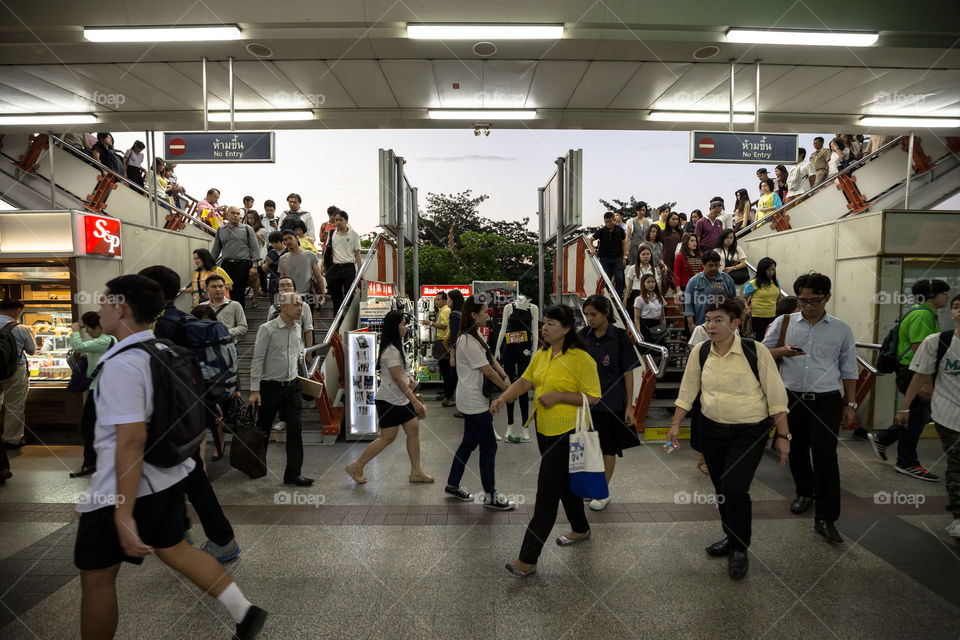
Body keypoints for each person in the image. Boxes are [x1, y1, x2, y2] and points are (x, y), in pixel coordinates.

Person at [73, 274, 266, 640]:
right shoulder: (162, 350)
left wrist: (123, 512)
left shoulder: (122, 365)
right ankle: (244, 612)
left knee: (97, 577)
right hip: (169, 475)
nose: (99, 308)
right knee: (175, 548)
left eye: (104, 301)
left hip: (117, 488)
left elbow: (130, 441)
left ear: (122, 308)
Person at [668, 297, 790, 580]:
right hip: (711, 430)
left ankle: (739, 548)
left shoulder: (755, 351)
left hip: (749, 431)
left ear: (735, 324)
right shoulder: (700, 352)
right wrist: (675, 424)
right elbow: (687, 391)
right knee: (722, 487)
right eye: (708, 320)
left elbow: (776, 396)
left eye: (718, 320)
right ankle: (731, 536)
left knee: (735, 488)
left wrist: (783, 435)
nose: (710, 325)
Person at [139, 265, 242, 564]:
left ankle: (220, 539)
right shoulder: (180, 318)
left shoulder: (164, 326)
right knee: (183, 472)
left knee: (188, 474)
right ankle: (183, 533)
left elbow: (169, 375)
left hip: (176, 413)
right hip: (193, 407)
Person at [493, 305, 601, 577]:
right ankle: (580, 528)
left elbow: (594, 397)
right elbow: (525, 382)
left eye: (552, 324)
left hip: (568, 432)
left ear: (567, 329)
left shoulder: (581, 358)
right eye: (544, 323)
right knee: (565, 484)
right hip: (545, 429)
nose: (545, 328)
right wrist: (502, 399)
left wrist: (559, 397)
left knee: (547, 494)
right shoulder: (541, 354)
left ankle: (527, 559)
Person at [762, 273, 858, 543]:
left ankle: (827, 518)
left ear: (827, 297)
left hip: (827, 400)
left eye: (814, 300)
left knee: (826, 457)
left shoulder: (841, 329)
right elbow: (760, 352)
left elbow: (849, 369)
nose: (808, 306)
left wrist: (850, 403)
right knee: (797, 449)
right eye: (803, 301)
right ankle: (804, 492)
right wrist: (782, 351)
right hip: (791, 399)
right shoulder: (784, 323)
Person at [869, 279, 951, 481]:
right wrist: (926, 382)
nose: (947, 297)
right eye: (944, 293)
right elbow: (919, 351)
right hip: (913, 373)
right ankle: (906, 462)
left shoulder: (920, 312)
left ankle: (884, 438)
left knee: (921, 415)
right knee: (915, 419)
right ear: (932, 295)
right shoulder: (922, 315)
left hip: (911, 372)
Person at [894, 294, 960, 538]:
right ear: (951, 313)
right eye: (956, 307)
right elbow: (920, 375)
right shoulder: (938, 341)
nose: (959, 310)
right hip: (948, 414)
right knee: (957, 464)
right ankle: (958, 517)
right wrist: (905, 407)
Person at [345, 311, 433, 485]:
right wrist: (415, 401)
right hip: (390, 400)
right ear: (394, 327)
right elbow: (397, 379)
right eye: (402, 324)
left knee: (412, 430)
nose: (405, 327)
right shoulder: (391, 350)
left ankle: (416, 470)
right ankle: (356, 465)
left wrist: (411, 379)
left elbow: (402, 375)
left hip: (399, 399)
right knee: (388, 437)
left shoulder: (396, 346)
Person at [443, 296, 515, 509]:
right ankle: (491, 496)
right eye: (484, 311)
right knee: (489, 446)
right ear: (473, 315)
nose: (487, 314)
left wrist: (505, 377)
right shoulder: (466, 339)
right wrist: (507, 389)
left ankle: (452, 484)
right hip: (473, 401)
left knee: (468, 443)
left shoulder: (475, 337)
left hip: (475, 399)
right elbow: (486, 370)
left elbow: (492, 360)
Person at [580, 295, 641, 511]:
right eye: (586, 314)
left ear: (606, 312)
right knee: (590, 448)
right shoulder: (582, 336)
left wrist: (628, 407)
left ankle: (603, 491)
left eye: (593, 314)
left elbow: (628, 372)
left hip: (612, 403)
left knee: (608, 448)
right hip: (586, 404)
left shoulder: (620, 337)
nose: (589, 319)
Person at [249, 291, 313, 487]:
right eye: (296, 305)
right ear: (283, 307)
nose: (300, 308)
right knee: (263, 429)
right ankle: (255, 466)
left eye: (301, 305)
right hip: (270, 387)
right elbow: (257, 359)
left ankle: (293, 473)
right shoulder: (267, 329)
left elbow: (296, 355)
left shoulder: (298, 327)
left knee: (295, 429)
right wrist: (254, 389)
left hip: (292, 386)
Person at [68, 312, 115, 478]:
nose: (86, 332)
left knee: (89, 427)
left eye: (88, 329)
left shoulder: (105, 340)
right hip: (102, 389)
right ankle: (95, 461)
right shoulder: (106, 340)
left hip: (100, 390)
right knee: (94, 427)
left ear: (98, 327)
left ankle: (90, 463)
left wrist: (75, 329)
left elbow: (78, 346)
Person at [0, 300, 36, 459]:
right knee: (14, 405)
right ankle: (12, 439)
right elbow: (32, 350)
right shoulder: (21, 328)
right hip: (15, 370)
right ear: (16, 311)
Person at [210, 206, 260, 311]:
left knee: (238, 291)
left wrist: (254, 266)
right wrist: (208, 265)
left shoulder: (247, 228)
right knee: (227, 292)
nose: (236, 216)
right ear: (227, 215)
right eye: (233, 213)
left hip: (242, 264)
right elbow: (216, 250)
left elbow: (255, 248)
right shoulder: (220, 230)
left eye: (238, 214)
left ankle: (240, 318)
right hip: (226, 265)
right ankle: (229, 316)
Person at [683, 250, 736, 333]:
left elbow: (733, 302)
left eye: (716, 265)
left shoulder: (727, 279)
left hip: (724, 324)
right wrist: (691, 325)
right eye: (710, 265)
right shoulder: (694, 281)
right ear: (703, 265)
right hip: (701, 325)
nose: (714, 268)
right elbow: (688, 306)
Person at [322, 209, 362, 315]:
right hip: (334, 268)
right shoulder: (331, 233)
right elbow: (326, 250)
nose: (338, 222)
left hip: (348, 267)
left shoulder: (353, 234)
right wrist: (322, 265)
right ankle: (338, 324)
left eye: (340, 220)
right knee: (336, 299)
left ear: (346, 220)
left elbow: (357, 253)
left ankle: (351, 317)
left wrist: (360, 270)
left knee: (349, 294)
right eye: (336, 220)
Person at [589, 212, 627, 298]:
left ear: (614, 220)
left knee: (620, 278)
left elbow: (624, 244)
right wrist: (593, 249)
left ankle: (618, 296)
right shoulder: (601, 231)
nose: (608, 224)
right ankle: (606, 297)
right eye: (606, 222)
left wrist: (625, 257)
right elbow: (590, 241)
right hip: (604, 259)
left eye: (610, 221)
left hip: (617, 258)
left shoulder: (620, 230)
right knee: (606, 279)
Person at [278, 229, 324, 299]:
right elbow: (282, 280)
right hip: (290, 296)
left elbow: (318, 276)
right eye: (285, 239)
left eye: (290, 238)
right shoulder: (282, 259)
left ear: (296, 238)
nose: (288, 241)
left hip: (307, 295)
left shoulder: (310, 255)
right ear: (284, 242)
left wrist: (322, 294)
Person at [743, 257, 782, 340]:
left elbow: (779, 298)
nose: (771, 272)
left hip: (772, 315)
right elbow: (743, 299)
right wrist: (747, 308)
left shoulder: (776, 282)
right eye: (769, 270)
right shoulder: (753, 283)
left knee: (771, 339)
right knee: (760, 339)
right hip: (757, 316)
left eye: (773, 270)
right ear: (762, 270)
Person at [445, 289, 464, 415]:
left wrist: (452, 354)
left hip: (458, 350)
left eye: (448, 298)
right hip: (465, 348)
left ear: (453, 300)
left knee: (456, 377)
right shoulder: (463, 313)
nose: (447, 301)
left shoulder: (453, 315)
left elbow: (454, 336)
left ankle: (461, 406)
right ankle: (447, 398)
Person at [673, 233, 702, 317]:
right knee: (689, 313)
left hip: (699, 287)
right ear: (686, 242)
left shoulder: (700, 255)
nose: (695, 243)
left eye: (695, 241)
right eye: (692, 241)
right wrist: (678, 290)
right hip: (685, 287)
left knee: (698, 312)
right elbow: (676, 274)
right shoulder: (680, 256)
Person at [625, 246, 660, 313]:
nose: (646, 256)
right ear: (639, 256)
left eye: (647, 254)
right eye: (643, 254)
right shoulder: (633, 268)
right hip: (636, 294)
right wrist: (625, 300)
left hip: (649, 296)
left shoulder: (653, 270)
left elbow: (656, 286)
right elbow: (629, 286)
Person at [633, 274, 666, 343]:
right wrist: (638, 333)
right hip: (646, 326)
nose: (651, 284)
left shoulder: (660, 297)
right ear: (643, 284)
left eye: (653, 282)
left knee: (659, 350)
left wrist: (664, 330)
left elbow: (662, 317)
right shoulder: (639, 299)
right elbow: (636, 319)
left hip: (658, 326)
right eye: (648, 282)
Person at [245, 210, 269, 305]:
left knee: (260, 272)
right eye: (249, 218)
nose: (250, 220)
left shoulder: (262, 230)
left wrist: (260, 238)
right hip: (248, 254)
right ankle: (256, 290)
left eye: (252, 218)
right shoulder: (246, 228)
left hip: (259, 253)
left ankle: (262, 290)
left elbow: (266, 244)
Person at [717, 229, 748, 295]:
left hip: (734, 277)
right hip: (720, 277)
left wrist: (732, 268)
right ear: (723, 238)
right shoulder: (717, 249)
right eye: (727, 237)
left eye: (731, 238)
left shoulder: (737, 248)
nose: (729, 240)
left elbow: (743, 263)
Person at [661, 211, 683, 294]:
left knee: (676, 282)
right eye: (673, 219)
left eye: (677, 219)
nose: (675, 221)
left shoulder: (680, 232)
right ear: (668, 220)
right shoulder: (663, 233)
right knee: (665, 282)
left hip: (676, 260)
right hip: (665, 259)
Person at [260, 231, 286, 297]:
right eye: (272, 243)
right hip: (273, 284)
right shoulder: (271, 253)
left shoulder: (288, 252)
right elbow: (264, 270)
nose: (274, 245)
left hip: (286, 284)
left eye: (276, 243)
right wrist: (267, 263)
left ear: (281, 241)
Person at [625, 201, 650, 265]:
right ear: (636, 210)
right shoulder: (631, 222)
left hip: (645, 247)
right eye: (640, 210)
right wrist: (626, 250)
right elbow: (627, 237)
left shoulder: (649, 222)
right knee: (634, 266)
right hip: (634, 248)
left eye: (643, 210)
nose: (642, 212)